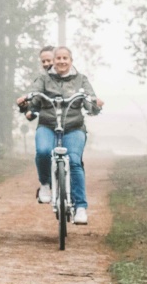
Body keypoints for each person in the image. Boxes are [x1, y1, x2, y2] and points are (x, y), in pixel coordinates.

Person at [16, 45, 103, 225]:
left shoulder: (81, 79)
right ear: (54, 60)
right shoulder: (44, 78)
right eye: (58, 58)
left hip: (73, 127)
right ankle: (45, 185)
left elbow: (90, 102)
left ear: (71, 60)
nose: (62, 61)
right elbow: (33, 98)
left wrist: (96, 104)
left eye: (65, 58)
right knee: (43, 151)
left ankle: (80, 207)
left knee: (75, 161)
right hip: (48, 125)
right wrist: (25, 102)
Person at [24, 46, 54, 123]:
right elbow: (36, 96)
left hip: (71, 123)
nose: (46, 64)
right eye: (43, 61)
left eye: (49, 60)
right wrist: (30, 110)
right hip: (47, 123)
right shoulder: (41, 80)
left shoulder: (73, 78)